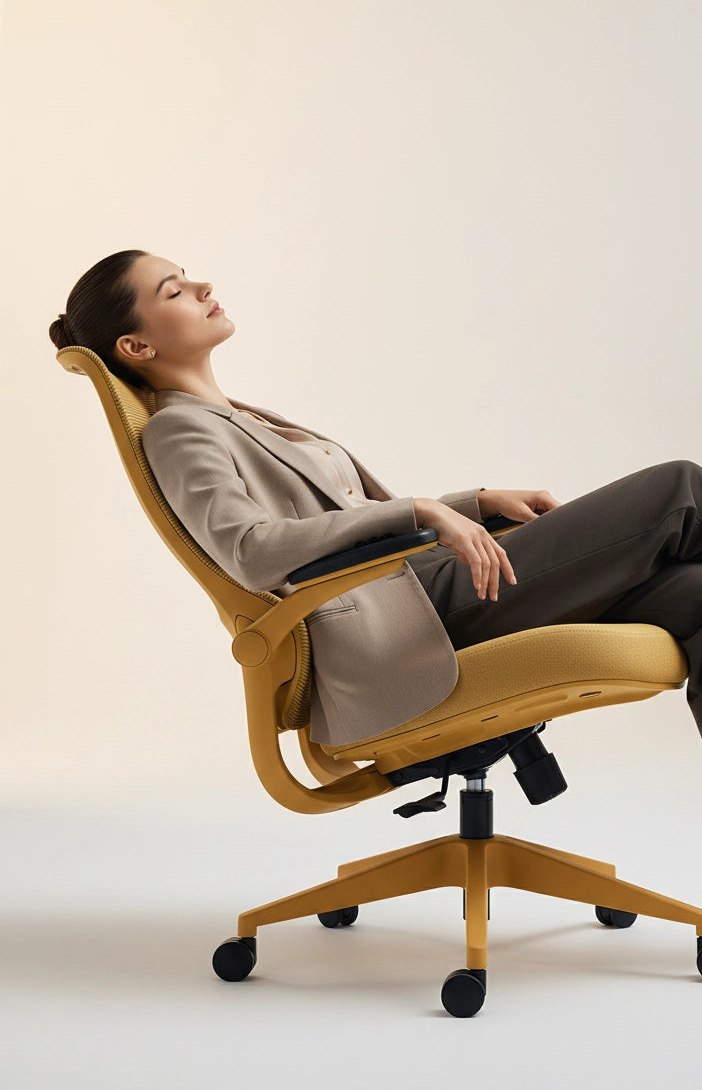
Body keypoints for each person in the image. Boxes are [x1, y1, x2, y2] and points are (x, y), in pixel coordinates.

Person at [50, 250, 702, 749]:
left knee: (696, 590)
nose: (202, 287)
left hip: (424, 589)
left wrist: (472, 503)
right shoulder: (178, 428)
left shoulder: (237, 417)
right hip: (405, 619)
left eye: (189, 276)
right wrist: (417, 509)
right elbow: (247, 552)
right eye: (175, 291)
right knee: (681, 487)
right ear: (136, 346)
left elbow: (343, 520)